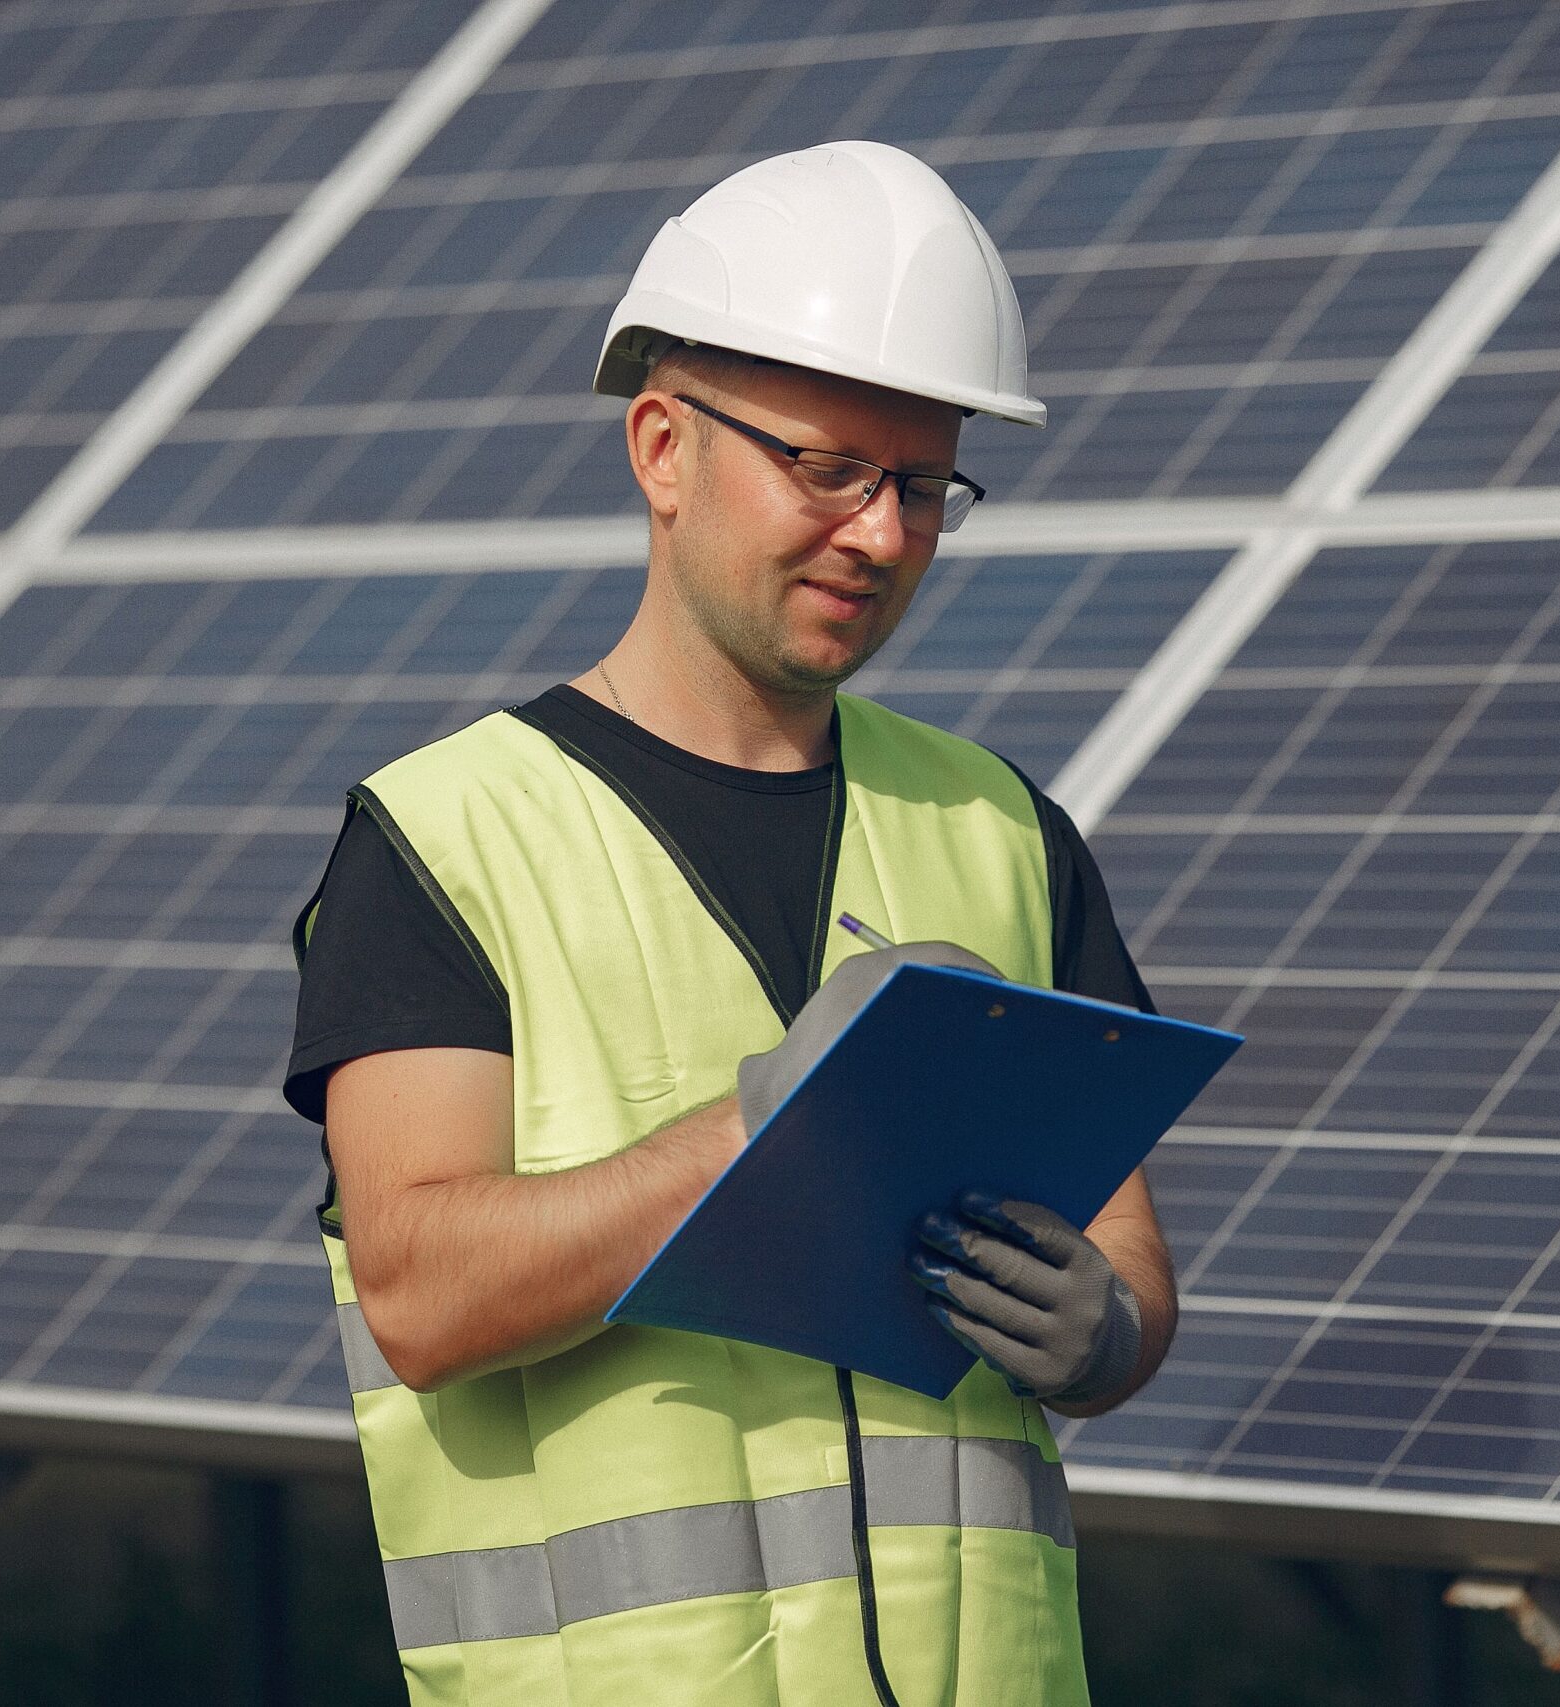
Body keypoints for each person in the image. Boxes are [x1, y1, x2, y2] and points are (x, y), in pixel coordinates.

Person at [285, 141, 1173, 1707]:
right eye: (830, 469)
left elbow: (1128, 1262)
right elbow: (418, 1291)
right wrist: (758, 1131)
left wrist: (1110, 1339)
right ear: (662, 448)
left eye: (921, 485)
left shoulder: (1003, 831)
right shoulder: (449, 839)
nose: (885, 535)